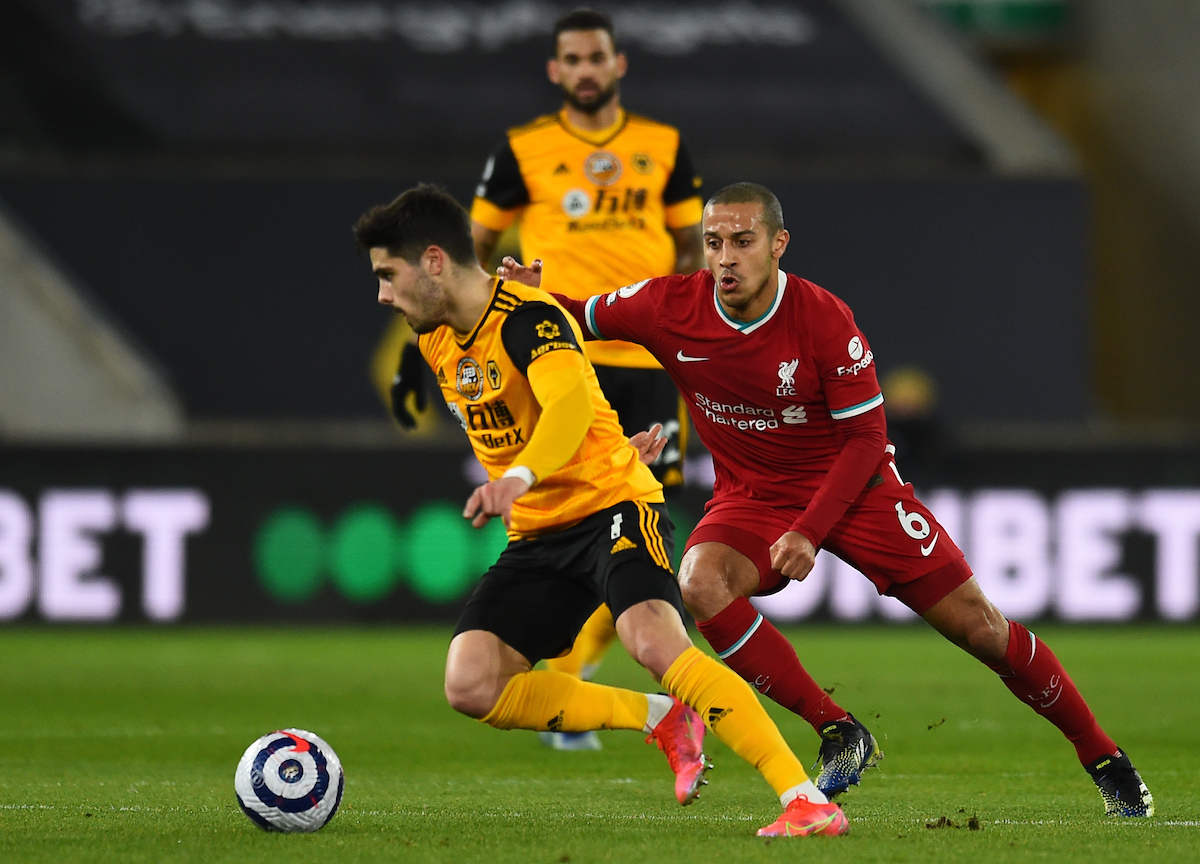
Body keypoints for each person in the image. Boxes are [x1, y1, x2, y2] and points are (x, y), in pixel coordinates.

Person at [502, 181, 1155, 817]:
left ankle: (1101, 755)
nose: (726, 257)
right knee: (701, 583)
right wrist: (532, 300)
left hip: (856, 486)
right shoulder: (667, 305)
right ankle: (839, 730)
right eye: (712, 242)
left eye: (743, 240)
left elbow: (868, 438)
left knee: (982, 629)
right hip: (753, 495)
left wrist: (810, 530)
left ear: (779, 243)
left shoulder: (822, 318)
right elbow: (574, 316)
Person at [353, 183, 849, 839]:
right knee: (471, 685)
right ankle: (662, 719)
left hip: (614, 506)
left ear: (435, 261)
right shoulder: (438, 339)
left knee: (654, 642)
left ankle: (805, 799)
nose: (383, 294)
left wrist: (523, 473)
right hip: (540, 533)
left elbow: (567, 405)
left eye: (389, 275)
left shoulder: (528, 315)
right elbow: (557, 403)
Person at [397, 6, 705, 750]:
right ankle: (580, 682)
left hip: (644, 363)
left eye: (598, 56)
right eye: (573, 59)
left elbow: (692, 251)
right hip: (551, 355)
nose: (587, 69)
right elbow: (465, 253)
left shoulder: (662, 147)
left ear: (618, 64)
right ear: (556, 71)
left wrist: (692, 344)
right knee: (574, 520)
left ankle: (578, 673)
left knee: (641, 525)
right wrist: (424, 346)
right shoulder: (523, 150)